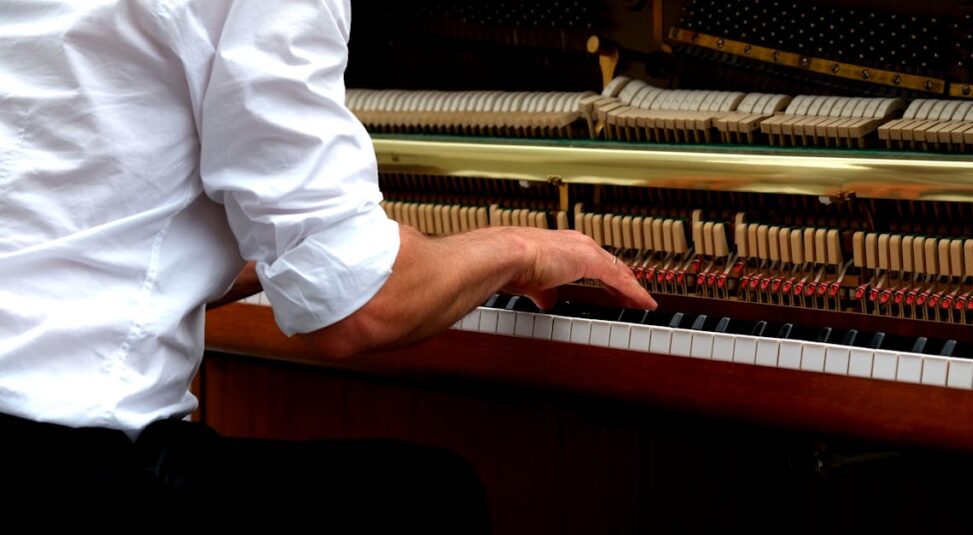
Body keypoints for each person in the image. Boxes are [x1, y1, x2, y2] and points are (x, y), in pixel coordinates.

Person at [0, 0, 655, 526]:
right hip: (75, 470)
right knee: (428, 496)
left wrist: (292, 264)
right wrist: (524, 249)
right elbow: (363, 311)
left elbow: (84, 238)